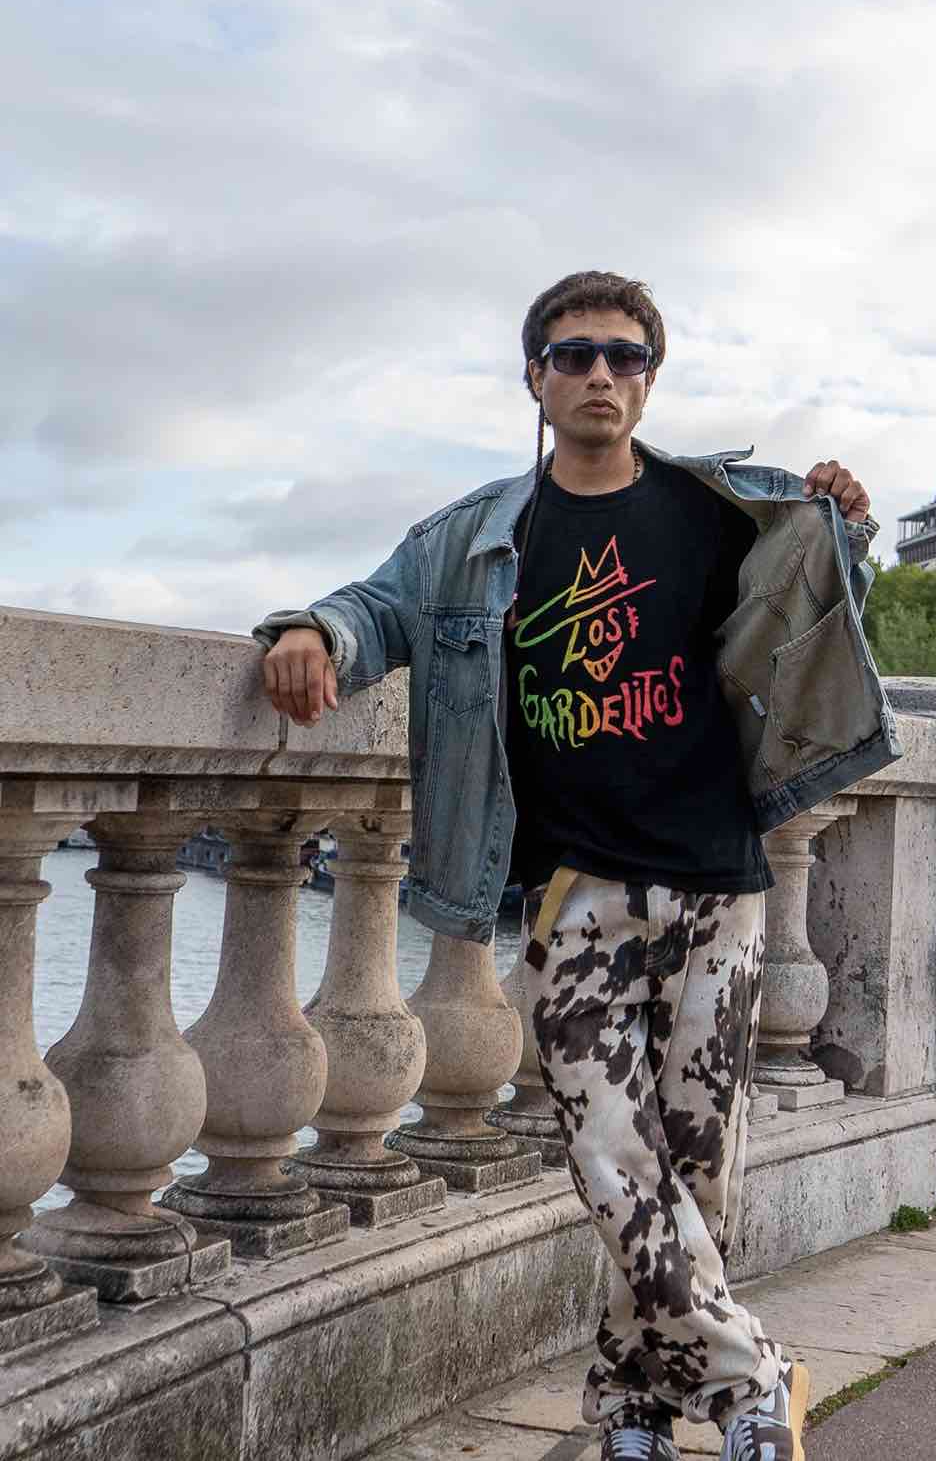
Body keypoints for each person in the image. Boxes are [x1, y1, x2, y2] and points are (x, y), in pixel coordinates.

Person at [254, 270, 901, 1461]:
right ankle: (757, 1386)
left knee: (692, 1175)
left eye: (622, 355)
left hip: (720, 887)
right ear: (535, 379)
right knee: (610, 1154)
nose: (599, 374)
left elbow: (823, 617)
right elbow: (377, 608)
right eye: (573, 356)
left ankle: (633, 1408)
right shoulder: (475, 539)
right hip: (576, 898)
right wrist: (309, 631)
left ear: (650, 379)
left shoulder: (717, 511)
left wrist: (844, 530)